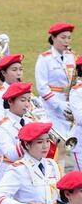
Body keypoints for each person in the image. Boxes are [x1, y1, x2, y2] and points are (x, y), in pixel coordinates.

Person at [36, 23, 75, 163]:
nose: (67, 41)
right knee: (57, 145)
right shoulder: (44, 58)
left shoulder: (71, 56)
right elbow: (42, 87)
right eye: (63, 37)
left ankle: (59, 179)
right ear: (53, 38)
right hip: (50, 107)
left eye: (69, 38)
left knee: (64, 147)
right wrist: (58, 104)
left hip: (68, 105)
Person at [0, 54, 24, 124]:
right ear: (4, 73)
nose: (19, 73)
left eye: (20, 69)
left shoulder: (26, 91)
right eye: (14, 70)